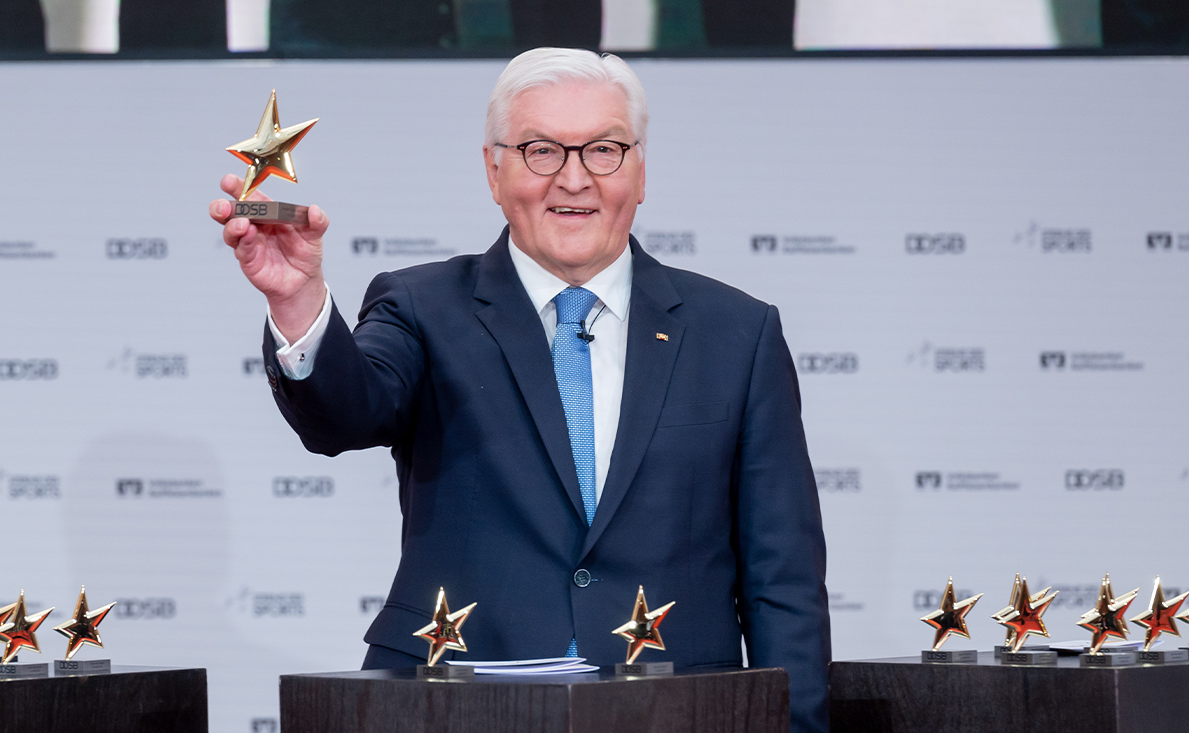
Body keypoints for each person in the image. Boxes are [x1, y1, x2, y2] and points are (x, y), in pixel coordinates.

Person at [209, 47, 830, 732]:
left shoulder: (737, 333)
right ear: (493, 170)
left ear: (641, 170)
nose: (574, 179)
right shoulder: (422, 306)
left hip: (676, 707)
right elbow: (343, 416)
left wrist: (795, 725)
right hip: (455, 700)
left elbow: (784, 581)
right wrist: (298, 303)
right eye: (540, 151)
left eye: (604, 150)